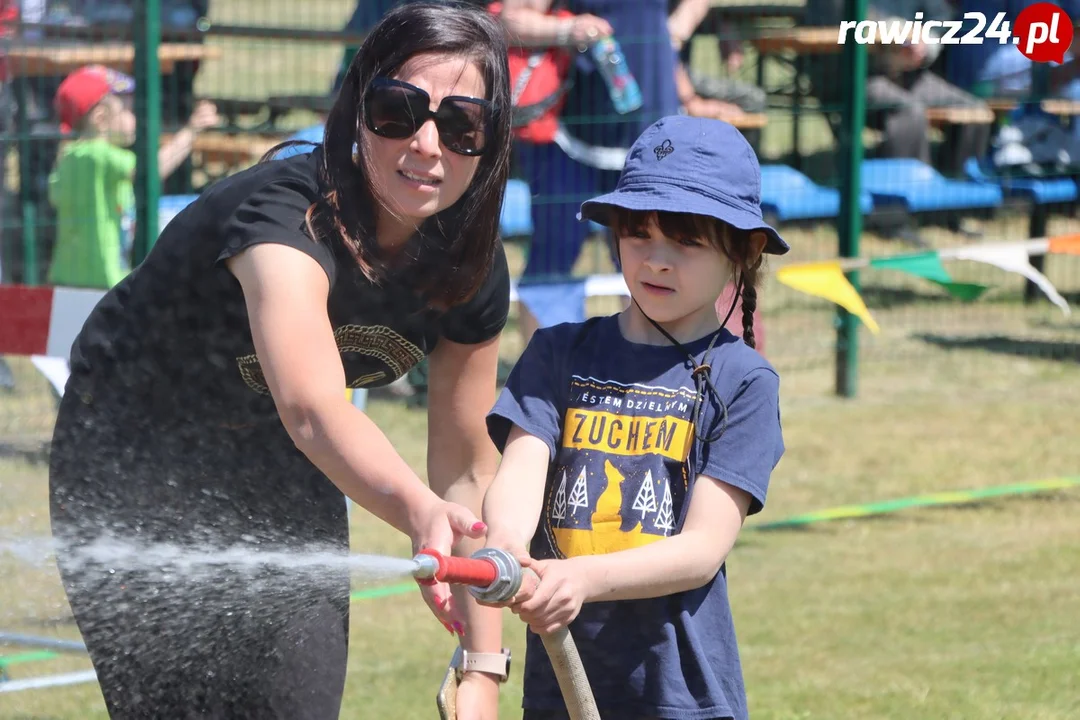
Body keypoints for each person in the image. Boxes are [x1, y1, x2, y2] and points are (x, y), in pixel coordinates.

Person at [48, 3, 513, 718]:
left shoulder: (471, 263)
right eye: (398, 110)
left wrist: (482, 665)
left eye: (461, 125)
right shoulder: (285, 215)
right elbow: (311, 407)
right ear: (358, 106)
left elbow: (469, 470)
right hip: (131, 458)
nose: (427, 144)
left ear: (491, 141)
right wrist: (417, 508)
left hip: (281, 463)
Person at [479, 115, 788, 719]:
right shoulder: (557, 353)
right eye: (639, 233)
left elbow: (702, 548)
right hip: (559, 691)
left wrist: (584, 579)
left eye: (687, 241)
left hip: (681, 698)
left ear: (744, 251)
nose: (658, 261)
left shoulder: (745, 381)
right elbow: (519, 471)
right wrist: (508, 547)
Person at [47, 65, 219, 289]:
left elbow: (54, 195)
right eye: (128, 110)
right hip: (103, 280)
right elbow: (151, 171)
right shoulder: (99, 155)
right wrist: (192, 130)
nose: (135, 117)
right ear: (100, 118)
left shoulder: (68, 158)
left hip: (65, 278)